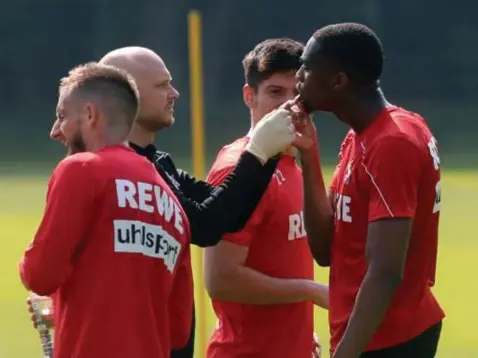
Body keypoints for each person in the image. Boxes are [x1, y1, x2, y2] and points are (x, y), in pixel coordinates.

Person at [29, 47, 292, 357]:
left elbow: (225, 215)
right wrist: (258, 152)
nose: (175, 93)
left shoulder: (155, 166)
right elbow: (208, 224)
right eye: (162, 84)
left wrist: (265, 153)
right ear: (129, 95)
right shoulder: (139, 174)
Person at [19, 62, 193, 358]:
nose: (54, 132)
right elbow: (177, 329)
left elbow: (40, 276)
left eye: (62, 117)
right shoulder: (172, 202)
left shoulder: (81, 169)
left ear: (90, 114)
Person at [294, 23, 445, 357]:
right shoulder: (359, 137)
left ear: (338, 80)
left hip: (390, 338)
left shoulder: (392, 142)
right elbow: (324, 250)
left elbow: (386, 271)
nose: (298, 77)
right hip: (367, 334)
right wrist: (308, 152)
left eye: (307, 67)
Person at [203, 38, 328, 358]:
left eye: (296, 92)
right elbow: (221, 279)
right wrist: (310, 291)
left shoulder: (290, 161)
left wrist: (300, 335)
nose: (289, 103)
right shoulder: (239, 168)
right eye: (275, 92)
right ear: (249, 96)